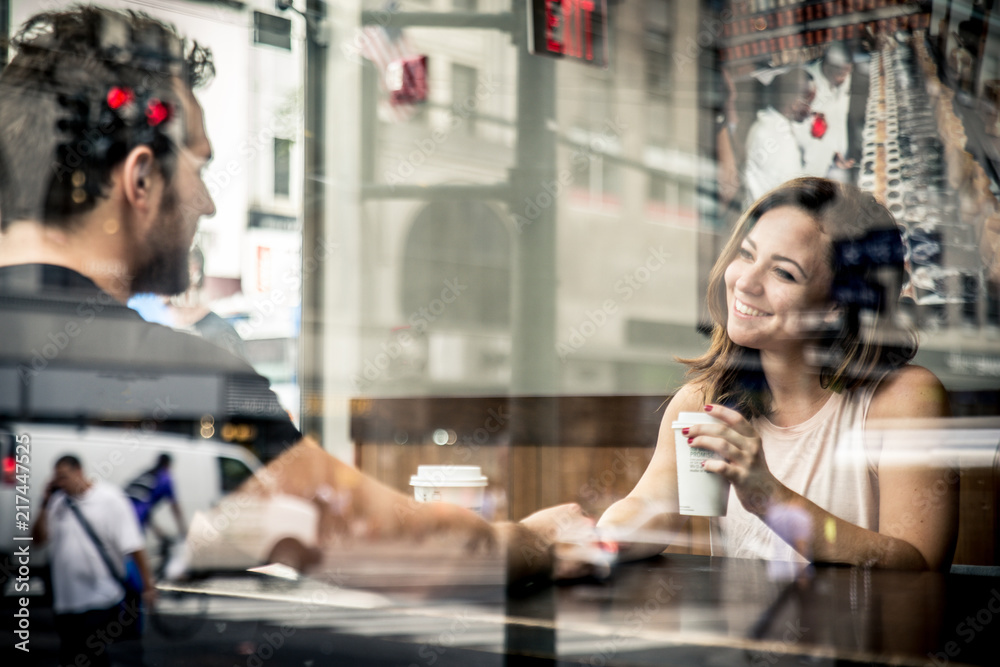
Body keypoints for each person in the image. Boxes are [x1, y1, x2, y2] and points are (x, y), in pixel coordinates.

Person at [0, 6, 583, 584]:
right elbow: (391, 542)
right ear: (141, 179)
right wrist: (535, 542)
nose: (208, 202)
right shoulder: (177, 377)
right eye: (199, 165)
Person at [596, 177, 958, 570]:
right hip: (743, 632)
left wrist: (769, 497)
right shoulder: (705, 400)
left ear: (837, 305)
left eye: (783, 273)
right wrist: (600, 539)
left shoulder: (905, 399)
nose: (746, 282)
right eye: (747, 255)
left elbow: (920, 566)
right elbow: (653, 508)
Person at [32, 455, 156, 667]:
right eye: (57, 479)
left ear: (79, 471)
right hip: (66, 600)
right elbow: (37, 540)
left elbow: (134, 545)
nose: (60, 483)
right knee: (71, 653)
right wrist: (44, 503)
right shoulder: (58, 502)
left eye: (64, 477)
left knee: (90, 652)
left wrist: (147, 585)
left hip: (101, 596)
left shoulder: (110, 499)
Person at [742, 68, 816, 202]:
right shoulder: (774, 135)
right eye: (809, 101)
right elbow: (789, 195)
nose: (810, 109)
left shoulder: (774, 126)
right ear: (794, 101)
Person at [793, 43, 857, 178]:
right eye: (840, 73)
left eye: (847, 72)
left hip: (838, 158)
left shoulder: (844, 77)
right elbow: (801, 134)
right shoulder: (807, 85)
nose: (844, 78)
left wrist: (836, 153)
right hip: (812, 166)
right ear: (827, 66)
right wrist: (830, 154)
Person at [125, 453, 186, 539]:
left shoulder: (147, 474)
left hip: (122, 509)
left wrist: (157, 531)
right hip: (135, 517)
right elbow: (175, 507)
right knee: (134, 547)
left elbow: (146, 510)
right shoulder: (165, 478)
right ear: (168, 464)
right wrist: (183, 530)